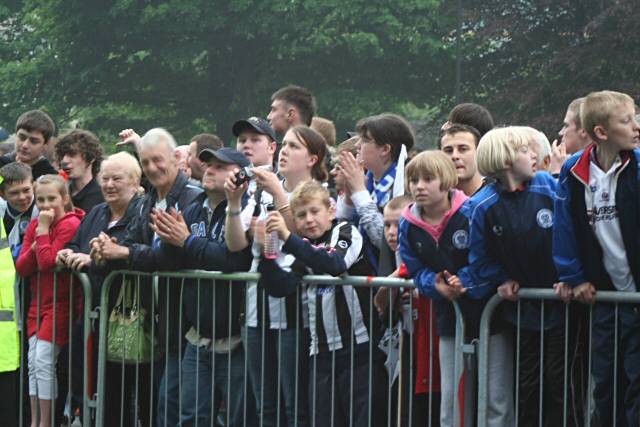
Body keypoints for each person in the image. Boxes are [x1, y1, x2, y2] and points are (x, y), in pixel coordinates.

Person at [91, 128, 202, 427]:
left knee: (173, 408)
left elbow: (173, 257)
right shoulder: (148, 200)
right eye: (146, 162)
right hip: (154, 321)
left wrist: (124, 253)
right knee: (156, 406)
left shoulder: (193, 198)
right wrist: (104, 252)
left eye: (158, 160)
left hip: (183, 321)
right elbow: (135, 241)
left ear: (175, 160)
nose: (152, 168)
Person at [225, 125, 329, 427]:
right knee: (265, 406)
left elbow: (302, 236)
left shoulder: (318, 196)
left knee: (294, 405)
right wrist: (234, 203)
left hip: (295, 312)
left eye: (294, 146)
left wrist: (279, 194)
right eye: (283, 145)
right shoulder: (260, 193)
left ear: (312, 158)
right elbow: (235, 244)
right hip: (257, 312)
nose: (284, 150)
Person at [467, 127, 571, 427]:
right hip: (523, 312)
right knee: (528, 386)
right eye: (525, 150)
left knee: (558, 382)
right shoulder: (482, 206)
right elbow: (479, 259)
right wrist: (501, 278)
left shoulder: (548, 188)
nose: (534, 155)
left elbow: (572, 234)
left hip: (561, 306)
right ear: (507, 159)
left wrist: (570, 275)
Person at [258, 180, 382, 427]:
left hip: (359, 350)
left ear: (331, 210)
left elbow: (334, 264)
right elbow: (281, 287)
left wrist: (287, 236)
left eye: (315, 211)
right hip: (321, 353)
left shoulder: (346, 231)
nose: (309, 220)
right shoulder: (303, 248)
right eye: (301, 215)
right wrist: (267, 256)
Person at [149, 147, 254, 426]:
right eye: (208, 164)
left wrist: (187, 242)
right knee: (191, 417)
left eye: (221, 166)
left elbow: (235, 260)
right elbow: (170, 259)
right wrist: (163, 241)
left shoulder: (246, 209)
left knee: (238, 418)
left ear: (241, 176)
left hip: (237, 341)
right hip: (198, 337)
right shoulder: (193, 208)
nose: (209, 169)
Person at [553, 90, 640, 426]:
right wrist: (573, 276)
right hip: (606, 298)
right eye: (627, 120)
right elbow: (565, 227)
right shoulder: (574, 171)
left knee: (636, 383)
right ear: (601, 132)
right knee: (604, 385)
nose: (636, 127)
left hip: (636, 296)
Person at [56, 151, 146, 426]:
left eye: (117, 179)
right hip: (92, 318)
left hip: (128, 321)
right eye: (104, 178)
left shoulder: (141, 212)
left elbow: (134, 254)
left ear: (134, 182)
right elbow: (75, 243)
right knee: (92, 389)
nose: (108, 185)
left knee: (123, 394)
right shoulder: (97, 212)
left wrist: (93, 263)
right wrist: (66, 255)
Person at [16, 174, 84, 427]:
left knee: (44, 360)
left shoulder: (69, 224)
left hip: (61, 303)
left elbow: (47, 262)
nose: (45, 206)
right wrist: (36, 245)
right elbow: (22, 268)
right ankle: (35, 421)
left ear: (64, 199)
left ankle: (46, 422)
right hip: (37, 303)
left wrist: (42, 234)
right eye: (41, 199)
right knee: (34, 363)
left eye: (52, 199)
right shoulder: (34, 225)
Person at [335, 113, 414, 273]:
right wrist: (351, 195)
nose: (357, 144)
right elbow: (343, 224)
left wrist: (359, 192)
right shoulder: (368, 179)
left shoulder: (406, 184)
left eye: (365, 140)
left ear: (385, 149)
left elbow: (385, 241)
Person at [0, 163, 32, 427]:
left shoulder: (37, 215)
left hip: (20, 317)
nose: (23, 198)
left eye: (26, 190)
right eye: (15, 193)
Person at [55, 129, 104, 215]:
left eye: (72, 154)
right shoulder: (59, 195)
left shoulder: (102, 197)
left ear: (91, 158)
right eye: (62, 155)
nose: (64, 161)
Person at [0, 110, 57, 179]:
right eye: (22, 137)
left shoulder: (49, 176)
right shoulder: (2, 164)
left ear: (45, 146)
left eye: (34, 141)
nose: (25, 145)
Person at [439, 124, 485, 196]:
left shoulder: (500, 200)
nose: (455, 156)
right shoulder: (432, 204)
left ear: (479, 153)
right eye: (448, 151)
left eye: (463, 149)